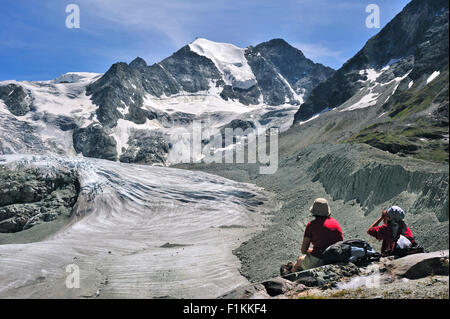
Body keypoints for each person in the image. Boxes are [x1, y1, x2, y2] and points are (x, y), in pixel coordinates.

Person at [291, 198, 343, 272]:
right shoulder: (335, 223)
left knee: (299, 261)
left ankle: (293, 281)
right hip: (336, 257)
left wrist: (311, 251)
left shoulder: (311, 225)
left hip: (320, 260)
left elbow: (303, 250)